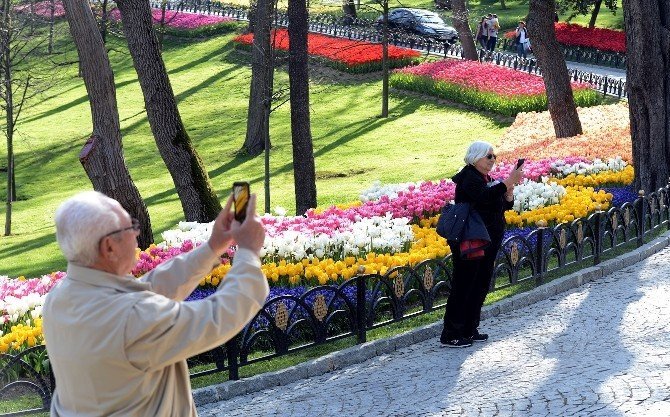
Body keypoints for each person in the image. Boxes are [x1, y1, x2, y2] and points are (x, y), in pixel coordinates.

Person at [42, 191, 269, 416]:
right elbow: (217, 317)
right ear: (109, 247)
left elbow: (145, 291)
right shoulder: (132, 317)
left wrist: (212, 248)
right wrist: (248, 252)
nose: (136, 233)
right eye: (130, 226)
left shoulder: (59, 299)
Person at [440, 141, 523, 348]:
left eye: (494, 156)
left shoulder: (486, 178)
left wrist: (508, 193)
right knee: (464, 284)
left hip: (487, 239)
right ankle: (451, 334)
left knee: (480, 284)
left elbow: (498, 204)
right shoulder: (468, 177)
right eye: (489, 156)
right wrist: (506, 182)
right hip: (471, 240)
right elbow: (483, 196)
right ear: (476, 157)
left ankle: (469, 328)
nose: (493, 160)